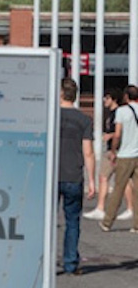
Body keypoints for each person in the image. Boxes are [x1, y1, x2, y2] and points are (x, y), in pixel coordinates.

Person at [58, 78, 95, 274]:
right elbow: (88, 152)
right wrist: (92, 180)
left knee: (46, 221)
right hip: (73, 174)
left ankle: (43, 261)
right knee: (72, 221)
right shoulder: (84, 120)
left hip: (52, 175)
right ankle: (70, 262)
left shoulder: (50, 117)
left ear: (60, 94)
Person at [87, 89, 133, 220]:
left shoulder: (119, 113)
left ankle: (127, 208)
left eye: (107, 98)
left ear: (114, 99)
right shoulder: (110, 113)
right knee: (110, 177)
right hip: (113, 149)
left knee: (115, 178)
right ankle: (103, 207)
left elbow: (122, 131)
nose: (104, 100)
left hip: (116, 150)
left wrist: (110, 137)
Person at [101, 84, 138, 233]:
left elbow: (117, 134)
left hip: (125, 155)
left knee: (118, 189)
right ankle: (136, 225)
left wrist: (113, 150)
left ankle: (107, 222)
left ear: (126, 97)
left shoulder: (122, 111)